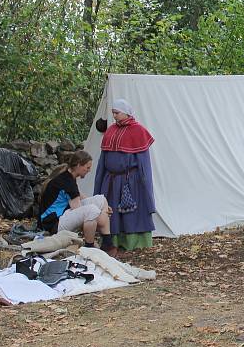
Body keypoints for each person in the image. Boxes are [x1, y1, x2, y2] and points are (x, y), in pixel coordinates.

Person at [94, 98, 156, 256]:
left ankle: (132, 242)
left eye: (117, 112)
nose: (114, 116)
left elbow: (144, 164)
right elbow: (102, 161)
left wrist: (146, 186)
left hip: (130, 181)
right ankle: (112, 242)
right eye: (113, 112)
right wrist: (99, 185)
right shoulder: (111, 130)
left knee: (130, 213)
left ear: (126, 112)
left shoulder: (138, 131)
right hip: (111, 180)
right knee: (112, 211)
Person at [38, 150, 111, 248]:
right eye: (87, 167)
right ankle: (90, 245)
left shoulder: (68, 176)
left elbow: (79, 195)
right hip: (53, 223)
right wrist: (100, 214)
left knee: (101, 199)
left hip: (63, 213)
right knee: (92, 210)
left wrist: (102, 209)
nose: (89, 170)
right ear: (78, 165)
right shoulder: (68, 182)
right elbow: (78, 209)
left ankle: (107, 242)